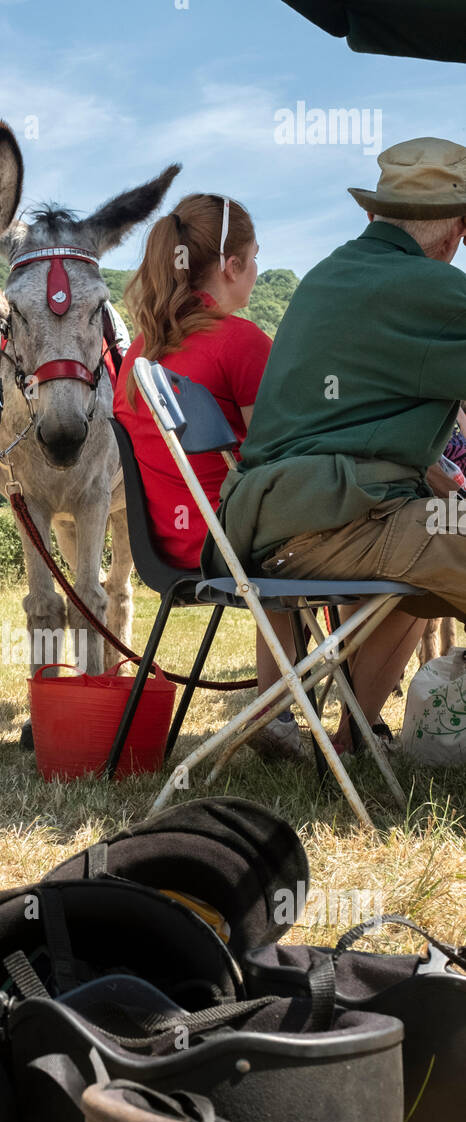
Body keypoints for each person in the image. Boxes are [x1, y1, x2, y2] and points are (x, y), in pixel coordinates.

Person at [205, 137, 466, 753]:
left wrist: (424, 471)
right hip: (332, 524)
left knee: (419, 584)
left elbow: (340, 420)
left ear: (375, 216)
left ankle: (352, 742)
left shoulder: (330, 275)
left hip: (274, 523)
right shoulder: (427, 288)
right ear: (457, 233)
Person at [114, 193, 301, 759]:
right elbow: (284, 458)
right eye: (255, 257)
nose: (258, 271)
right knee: (331, 532)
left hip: (167, 548)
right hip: (233, 547)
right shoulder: (242, 342)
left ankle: (282, 709)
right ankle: (298, 710)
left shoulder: (138, 356)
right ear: (230, 266)